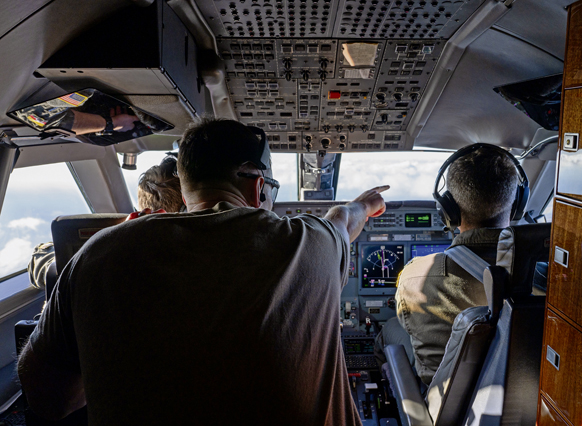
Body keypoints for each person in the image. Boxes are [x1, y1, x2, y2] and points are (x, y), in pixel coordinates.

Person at [18, 117, 389, 426]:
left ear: (184, 184)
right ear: (259, 187)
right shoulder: (312, 241)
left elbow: (47, 400)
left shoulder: (97, 253)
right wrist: (366, 204)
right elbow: (344, 219)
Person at [376, 143, 525, 386]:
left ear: (449, 211)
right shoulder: (544, 273)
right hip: (523, 398)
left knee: (391, 326)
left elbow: (408, 324)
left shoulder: (415, 277)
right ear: (518, 203)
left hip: (447, 406)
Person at [27, 153, 185, 290]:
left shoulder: (102, 250)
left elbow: (41, 263)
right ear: (185, 202)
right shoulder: (188, 249)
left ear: (142, 207)